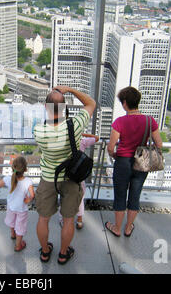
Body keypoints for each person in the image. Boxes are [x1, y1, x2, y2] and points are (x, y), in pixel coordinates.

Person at [33, 86, 96, 265]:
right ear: (64, 107)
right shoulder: (75, 125)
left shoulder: (39, 131)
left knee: (43, 218)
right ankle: (63, 254)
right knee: (69, 220)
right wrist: (70, 89)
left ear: (45, 107)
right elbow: (91, 103)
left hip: (48, 179)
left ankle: (45, 253)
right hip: (71, 179)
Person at [106, 87, 163, 237]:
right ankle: (128, 228)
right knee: (135, 195)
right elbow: (159, 144)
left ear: (125, 103)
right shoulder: (150, 121)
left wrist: (116, 155)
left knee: (120, 196)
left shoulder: (120, 122)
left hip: (123, 162)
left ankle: (117, 228)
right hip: (141, 162)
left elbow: (111, 147)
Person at [58, 133, 99, 230]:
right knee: (80, 198)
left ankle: (63, 220)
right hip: (78, 176)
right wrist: (82, 134)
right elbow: (96, 138)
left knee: (64, 197)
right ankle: (79, 220)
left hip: (65, 176)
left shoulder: (61, 142)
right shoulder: (82, 141)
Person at [0, 156, 35, 252]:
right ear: (25, 169)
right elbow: (32, 195)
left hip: (11, 206)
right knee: (20, 226)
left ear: (12, 168)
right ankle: (18, 246)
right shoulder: (28, 181)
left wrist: (5, 183)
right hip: (21, 208)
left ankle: (13, 234)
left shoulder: (8, 179)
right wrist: (27, 200)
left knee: (12, 221)